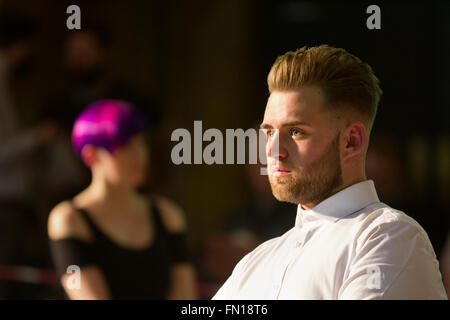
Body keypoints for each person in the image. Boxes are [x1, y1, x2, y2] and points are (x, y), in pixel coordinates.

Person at [212, 45, 447, 299]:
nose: (273, 150)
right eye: (269, 132)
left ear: (352, 141)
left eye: (295, 132)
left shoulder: (388, 238)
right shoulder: (254, 263)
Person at [47, 100, 197, 299]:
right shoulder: (68, 219)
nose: (140, 155)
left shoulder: (167, 214)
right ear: (91, 156)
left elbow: (186, 298)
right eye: (125, 145)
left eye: (142, 142)